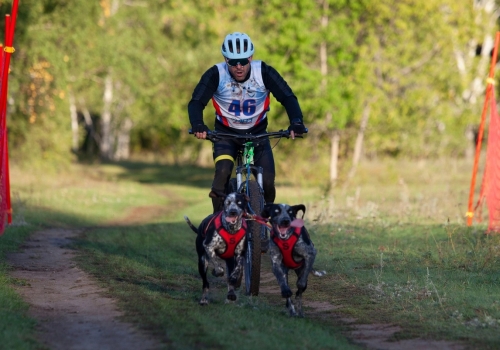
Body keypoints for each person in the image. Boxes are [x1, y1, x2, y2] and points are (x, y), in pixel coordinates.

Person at [188, 32, 307, 214]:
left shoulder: (264, 72)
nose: (238, 66)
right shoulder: (215, 74)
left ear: (251, 57)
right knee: (222, 172)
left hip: (258, 134)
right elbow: (196, 102)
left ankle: (263, 226)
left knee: (267, 181)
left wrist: (296, 122)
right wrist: (198, 124)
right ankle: (218, 222)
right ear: (225, 59)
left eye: (243, 61)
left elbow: (287, 97)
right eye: (232, 62)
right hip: (225, 135)